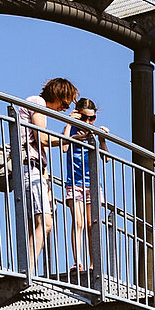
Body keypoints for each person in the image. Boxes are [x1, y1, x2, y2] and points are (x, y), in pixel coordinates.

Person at [17, 75, 76, 268]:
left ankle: (27, 267)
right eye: (65, 103)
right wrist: (71, 140)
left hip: (35, 168)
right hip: (30, 167)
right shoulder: (38, 102)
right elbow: (42, 139)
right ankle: (29, 269)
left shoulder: (37, 104)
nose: (64, 109)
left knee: (38, 222)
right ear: (57, 95)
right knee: (45, 222)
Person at [58, 94, 101, 268]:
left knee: (92, 225)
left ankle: (93, 263)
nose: (88, 121)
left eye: (92, 118)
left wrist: (101, 137)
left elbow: (104, 158)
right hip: (74, 183)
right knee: (78, 222)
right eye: (84, 117)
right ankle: (78, 262)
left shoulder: (93, 133)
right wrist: (69, 124)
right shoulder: (71, 131)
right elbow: (64, 147)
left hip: (92, 184)